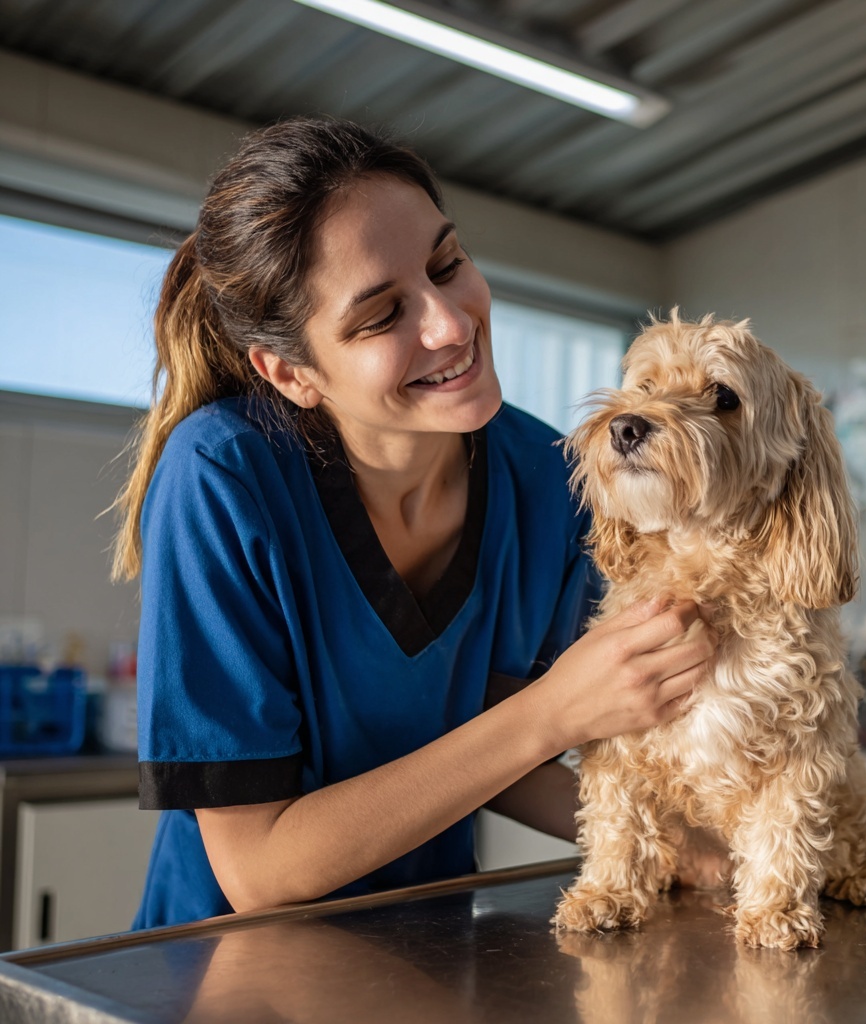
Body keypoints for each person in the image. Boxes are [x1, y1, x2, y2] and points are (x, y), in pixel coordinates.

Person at [111, 116, 714, 930]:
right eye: (380, 316)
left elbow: (492, 748)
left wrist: (687, 847)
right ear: (290, 371)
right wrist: (558, 712)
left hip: (430, 958)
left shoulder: (550, 475)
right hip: (234, 972)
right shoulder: (224, 476)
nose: (452, 323)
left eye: (447, 264)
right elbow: (257, 867)